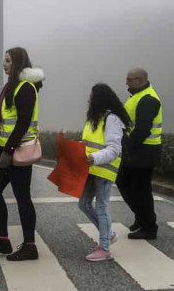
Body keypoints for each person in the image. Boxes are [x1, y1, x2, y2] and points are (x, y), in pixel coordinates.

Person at [0, 47, 44, 261]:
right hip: (6, 152)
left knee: (22, 198)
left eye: (7, 60)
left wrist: (7, 149)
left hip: (19, 152)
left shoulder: (25, 88)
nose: (4, 64)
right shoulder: (11, 86)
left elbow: (23, 122)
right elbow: (5, 122)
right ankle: (3, 240)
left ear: (17, 62)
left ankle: (30, 246)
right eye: (4, 60)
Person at [78, 83, 130, 262]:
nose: (88, 99)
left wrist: (94, 157)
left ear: (98, 98)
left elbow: (114, 148)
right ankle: (108, 233)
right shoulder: (94, 118)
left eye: (91, 96)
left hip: (103, 170)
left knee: (101, 207)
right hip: (91, 169)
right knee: (84, 203)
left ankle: (105, 248)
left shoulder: (111, 119)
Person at [116, 67, 162, 240]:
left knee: (140, 190)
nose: (126, 82)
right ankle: (141, 218)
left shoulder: (148, 99)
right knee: (125, 184)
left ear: (140, 80)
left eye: (130, 79)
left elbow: (142, 129)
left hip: (144, 151)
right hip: (137, 151)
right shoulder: (136, 97)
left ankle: (149, 227)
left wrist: (126, 145)